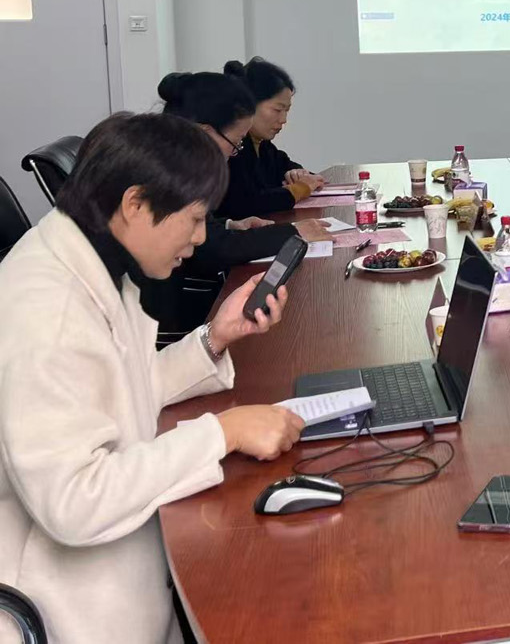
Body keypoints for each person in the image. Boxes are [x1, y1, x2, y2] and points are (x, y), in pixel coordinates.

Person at [0, 112, 305, 644]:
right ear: (136, 204)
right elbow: (75, 501)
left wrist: (215, 337)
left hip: (132, 574)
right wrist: (223, 433)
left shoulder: (89, 260)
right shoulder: (49, 311)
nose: (200, 236)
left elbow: (118, 392)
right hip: (75, 613)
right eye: (194, 218)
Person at [142, 72, 327, 335]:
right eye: (235, 144)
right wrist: (293, 233)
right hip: (168, 321)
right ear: (205, 133)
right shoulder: (168, 175)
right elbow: (209, 248)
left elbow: (207, 230)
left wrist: (229, 225)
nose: (234, 153)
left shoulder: (174, 163)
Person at [218, 57, 323, 220]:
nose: (283, 120)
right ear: (248, 104)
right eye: (277, 110)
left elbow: (284, 165)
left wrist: (297, 173)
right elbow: (245, 204)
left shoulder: (262, 144)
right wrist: (298, 189)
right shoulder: (231, 147)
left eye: (287, 111)